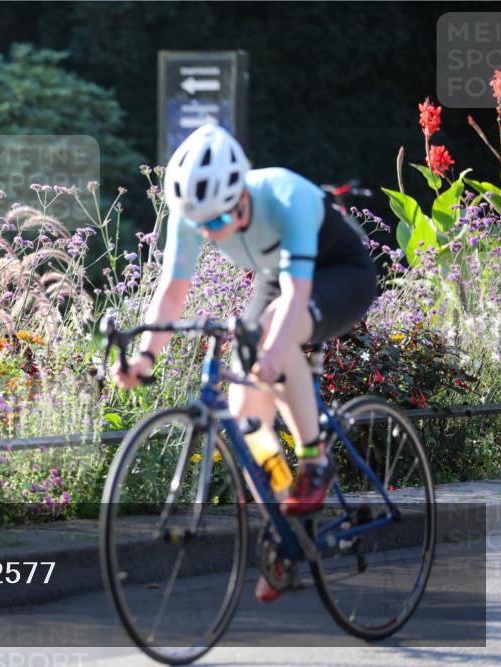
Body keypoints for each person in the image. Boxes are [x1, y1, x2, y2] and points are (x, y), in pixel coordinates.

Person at [112, 123, 378, 601]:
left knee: (276, 336)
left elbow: (296, 297)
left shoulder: (283, 195)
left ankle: (315, 461)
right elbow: (172, 292)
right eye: (201, 224)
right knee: (245, 418)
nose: (209, 232)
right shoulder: (191, 216)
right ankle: (285, 529)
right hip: (280, 277)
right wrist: (146, 356)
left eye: (217, 221)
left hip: (341, 274)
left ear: (239, 194)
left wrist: (275, 354)